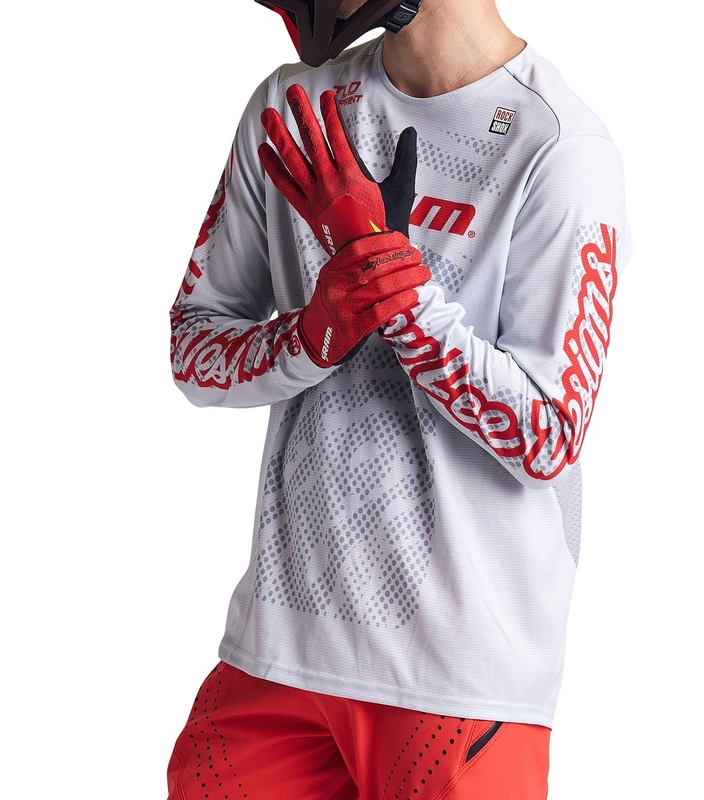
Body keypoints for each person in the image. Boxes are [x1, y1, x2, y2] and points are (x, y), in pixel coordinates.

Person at [167, 0, 631, 797]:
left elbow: (549, 435)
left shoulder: (557, 145)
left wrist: (388, 282)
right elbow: (193, 348)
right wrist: (314, 332)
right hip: (276, 653)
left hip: (457, 683)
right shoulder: (296, 106)